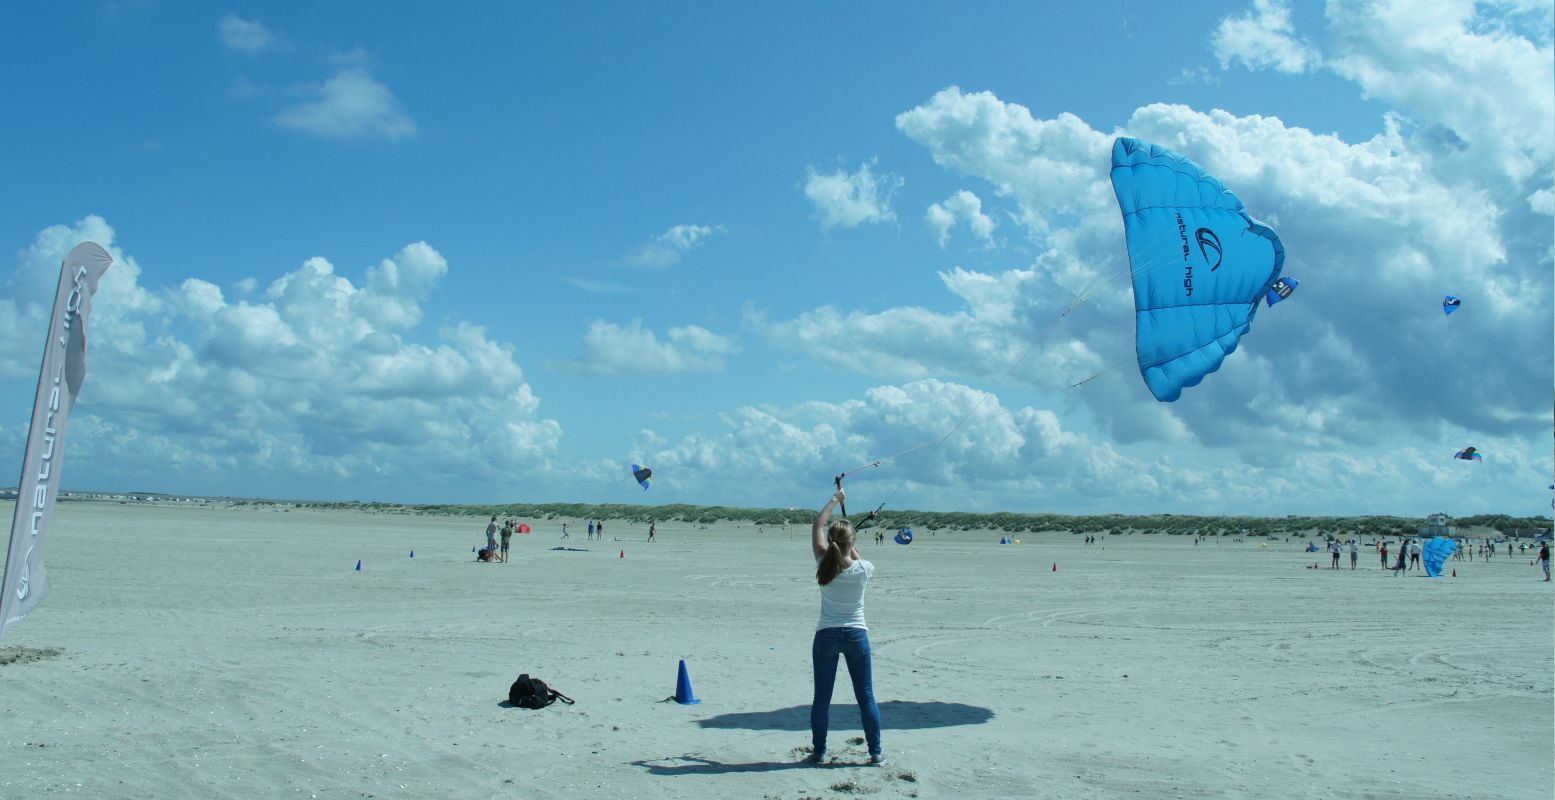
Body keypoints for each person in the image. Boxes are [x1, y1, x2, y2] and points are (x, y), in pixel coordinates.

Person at [807, 488, 884, 767]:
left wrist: (834, 500)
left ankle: (819, 752)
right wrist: (849, 541)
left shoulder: (822, 562)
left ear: (831, 543)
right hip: (855, 634)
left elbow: (818, 524)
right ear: (851, 543)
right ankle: (875, 753)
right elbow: (855, 556)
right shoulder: (864, 568)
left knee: (821, 699)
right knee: (866, 696)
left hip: (827, 634)